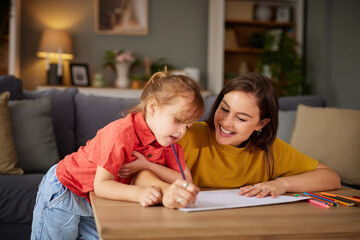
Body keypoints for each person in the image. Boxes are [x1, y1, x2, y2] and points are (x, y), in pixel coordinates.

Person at [31, 70, 204, 240]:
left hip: (95, 201)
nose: (182, 131)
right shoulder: (121, 133)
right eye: (178, 120)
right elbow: (102, 185)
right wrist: (139, 194)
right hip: (67, 190)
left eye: (188, 126)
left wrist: (148, 165)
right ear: (153, 108)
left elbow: (185, 181)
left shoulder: (169, 143)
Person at [127, 72, 341, 208]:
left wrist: (281, 184)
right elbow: (139, 172)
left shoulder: (270, 149)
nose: (226, 122)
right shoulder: (187, 135)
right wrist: (165, 190)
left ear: (261, 124)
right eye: (224, 109)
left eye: (241, 118)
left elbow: (330, 177)